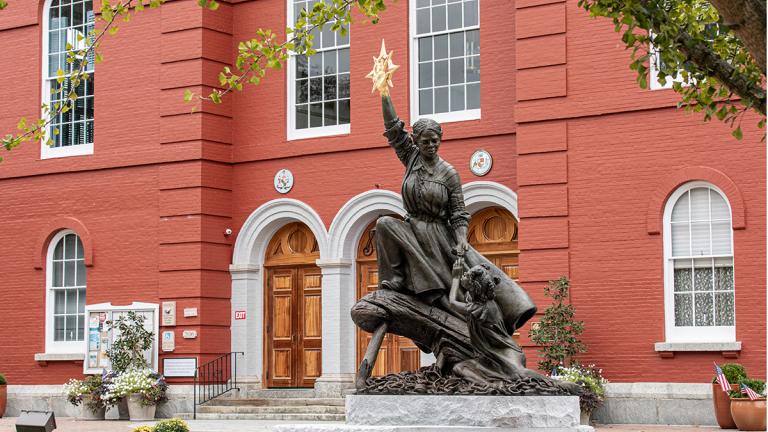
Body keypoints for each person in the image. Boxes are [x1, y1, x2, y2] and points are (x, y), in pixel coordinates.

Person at [375, 90, 537, 334]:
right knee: (384, 224)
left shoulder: (449, 173)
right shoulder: (411, 158)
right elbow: (394, 130)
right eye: (425, 142)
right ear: (416, 141)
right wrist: (384, 92)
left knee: (450, 293)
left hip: (437, 236)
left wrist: (461, 240)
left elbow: (459, 212)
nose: (431, 145)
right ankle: (396, 279)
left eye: (435, 141)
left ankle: (480, 329)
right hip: (412, 227)